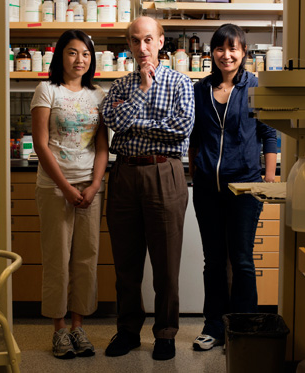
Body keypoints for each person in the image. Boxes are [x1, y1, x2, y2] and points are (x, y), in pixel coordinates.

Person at [101, 16, 195, 361]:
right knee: (125, 264)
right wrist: (142, 90)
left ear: (160, 41)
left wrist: (133, 123)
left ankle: (166, 333)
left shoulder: (182, 83)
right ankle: (127, 330)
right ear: (129, 44)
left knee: (166, 264)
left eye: (148, 40)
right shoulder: (121, 85)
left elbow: (180, 128)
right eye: (135, 41)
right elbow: (113, 122)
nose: (142, 47)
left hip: (164, 173)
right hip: (124, 174)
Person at [188, 23, 278, 351]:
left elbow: (269, 134)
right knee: (213, 260)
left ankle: (244, 328)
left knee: (241, 260)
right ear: (212, 53)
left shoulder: (255, 87)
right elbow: (195, 139)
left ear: (243, 52)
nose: (227, 55)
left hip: (245, 187)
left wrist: (268, 179)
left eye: (233, 49)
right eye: (220, 49)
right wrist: (194, 168)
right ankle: (213, 326)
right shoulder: (200, 89)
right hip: (206, 189)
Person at [30, 29, 108, 359]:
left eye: (86, 54)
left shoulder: (98, 95)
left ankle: (78, 326)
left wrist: (93, 185)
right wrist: (65, 187)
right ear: (61, 55)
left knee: (86, 259)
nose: (80, 59)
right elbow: (40, 143)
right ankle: (59, 330)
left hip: (89, 190)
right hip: (54, 189)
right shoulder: (46, 90)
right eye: (73, 52)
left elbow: (102, 146)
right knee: (57, 260)